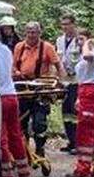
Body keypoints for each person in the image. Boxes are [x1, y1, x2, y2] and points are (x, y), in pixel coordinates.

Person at [0, 19, 29, 177]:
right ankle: (24, 173)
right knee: (16, 134)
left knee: (2, 136)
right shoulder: (6, 50)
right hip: (12, 96)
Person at [12, 21, 62, 156]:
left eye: (34, 32)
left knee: (39, 123)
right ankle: (24, 150)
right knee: (21, 122)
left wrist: (59, 81)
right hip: (23, 88)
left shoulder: (47, 47)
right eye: (28, 32)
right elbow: (13, 65)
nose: (31, 35)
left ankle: (40, 148)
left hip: (41, 89)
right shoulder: (19, 47)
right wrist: (16, 72)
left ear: (39, 33)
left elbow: (58, 65)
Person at [70, 28, 94, 177]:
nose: (79, 42)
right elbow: (81, 78)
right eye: (78, 39)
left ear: (91, 39)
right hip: (85, 92)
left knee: (84, 131)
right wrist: (78, 97)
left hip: (92, 92)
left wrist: (88, 44)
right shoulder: (81, 58)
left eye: (82, 39)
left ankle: (83, 169)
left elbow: (87, 55)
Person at [54, 14, 83, 153]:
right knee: (65, 111)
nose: (65, 27)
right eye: (63, 24)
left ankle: (78, 142)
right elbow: (57, 59)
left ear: (73, 24)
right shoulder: (59, 40)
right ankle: (71, 140)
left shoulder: (79, 40)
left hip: (76, 79)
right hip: (64, 80)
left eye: (67, 24)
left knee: (74, 111)